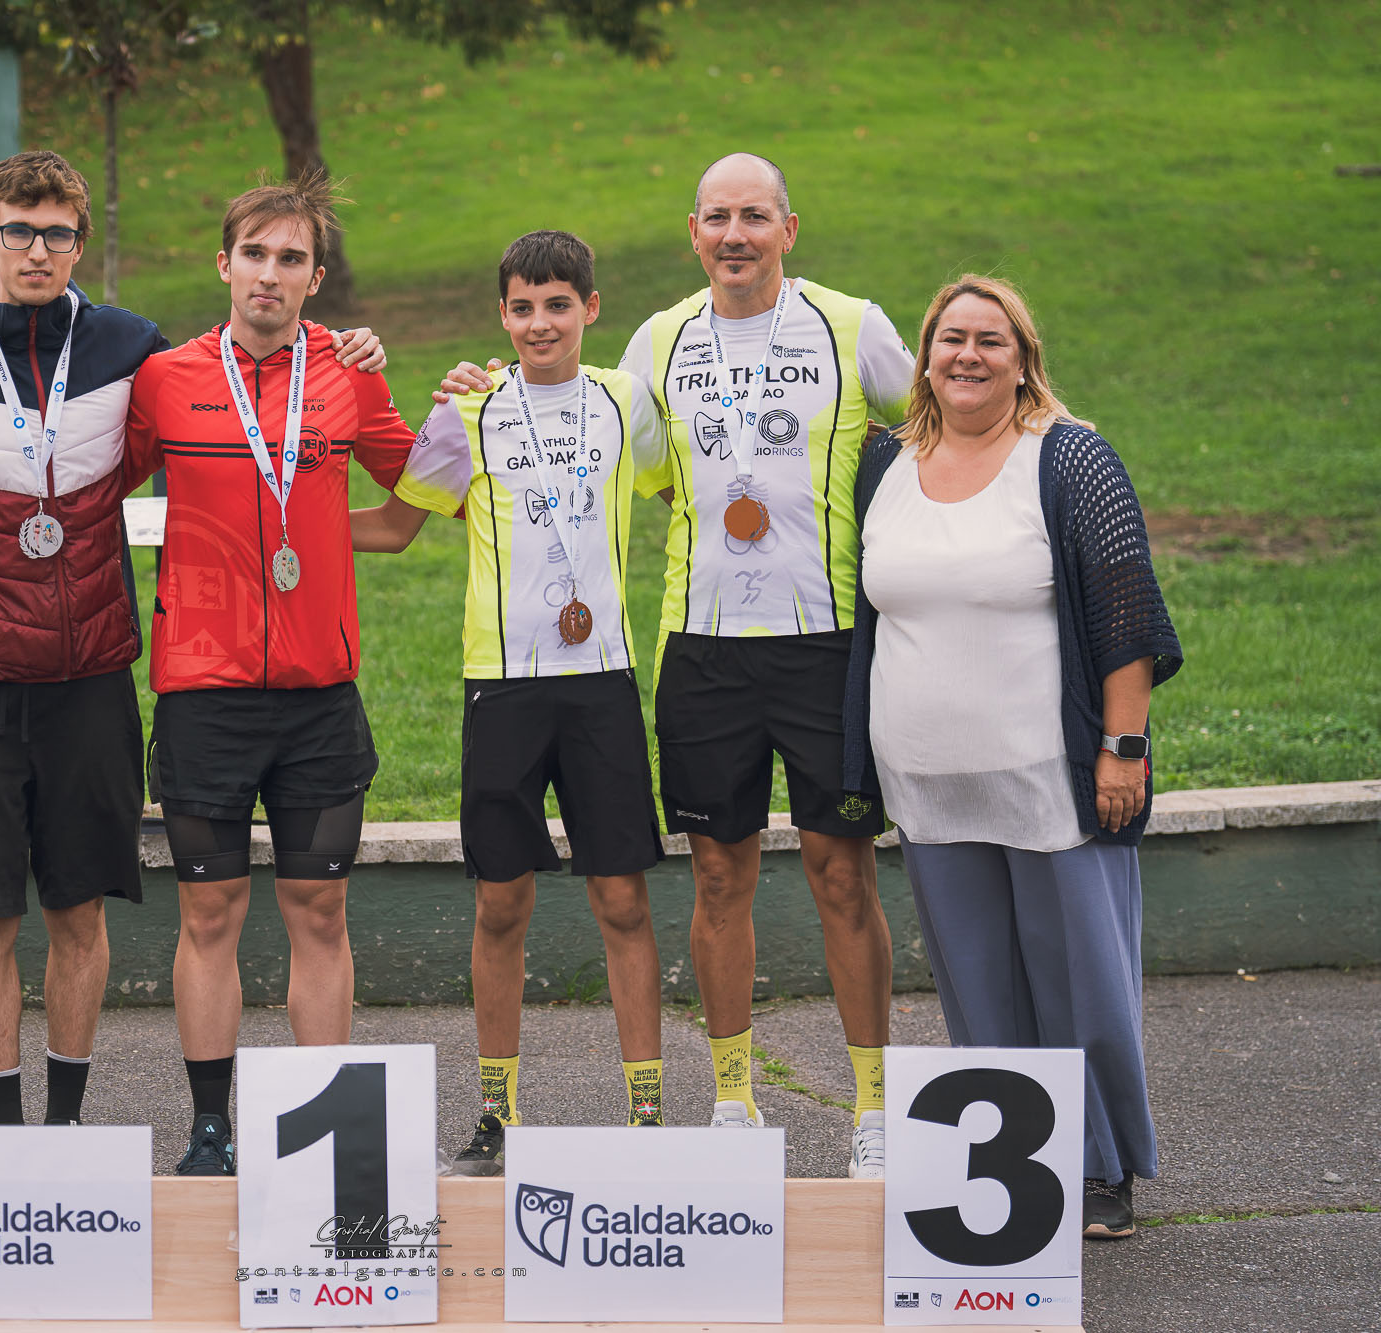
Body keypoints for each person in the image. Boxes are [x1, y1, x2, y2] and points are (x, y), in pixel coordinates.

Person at [0, 154, 384, 1128]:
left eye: (57, 233)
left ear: (80, 244)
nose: (37, 250)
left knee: (78, 911)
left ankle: (67, 1128)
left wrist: (340, 347)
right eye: (18, 230)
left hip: (90, 683)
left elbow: (252, 364)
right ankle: (6, 1137)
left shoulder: (131, 351)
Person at [440, 153, 914, 1176]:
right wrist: (483, 386)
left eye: (754, 215)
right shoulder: (656, 342)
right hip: (701, 650)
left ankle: (873, 1107)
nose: (734, 234)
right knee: (716, 873)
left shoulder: (851, 324)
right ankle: (732, 1099)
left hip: (825, 641)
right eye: (716, 217)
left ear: (789, 228)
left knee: (841, 873)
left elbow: (942, 418)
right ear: (693, 232)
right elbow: (621, 457)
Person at [841, 274, 1182, 1238]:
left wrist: (1123, 749)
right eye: (951, 338)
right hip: (927, 784)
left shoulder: (1070, 459)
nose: (968, 356)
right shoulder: (885, 464)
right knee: (979, 986)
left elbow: (1126, 614)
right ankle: (1012, 1174)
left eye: (991, 340)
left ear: (1024, 361)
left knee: (1081, 982)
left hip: (1052, 780)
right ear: (924, 358)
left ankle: (1103, 1167)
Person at [352, 231, 671, 1174]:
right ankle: (497, 1114)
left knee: (622, 899)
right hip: (502, 686)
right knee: (501, 902)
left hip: (602, 683)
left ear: (590, 309)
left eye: (558, 305)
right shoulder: (469, 411)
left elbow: (686, 491)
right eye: (523, 307)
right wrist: (258, 520)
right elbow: (395, 528)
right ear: (502, 315)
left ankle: (648, 1115)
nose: (540, 323)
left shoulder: (626, 401)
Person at [124, 175, 418, 1175]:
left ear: (315, 278)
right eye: (254, 253)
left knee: (318, 911)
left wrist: (469, 408)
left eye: (291, 258)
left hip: (317, 695)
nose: (269, 273)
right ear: (224, 264)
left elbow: (416, 503)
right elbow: (91, 489)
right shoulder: (163, 379)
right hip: (203, 693)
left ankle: (326, 1137)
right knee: (208, 913)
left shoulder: (348, 374)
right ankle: (211, 1129)